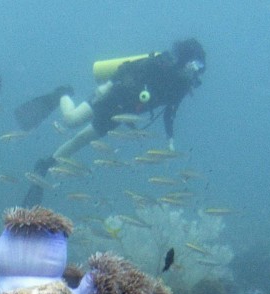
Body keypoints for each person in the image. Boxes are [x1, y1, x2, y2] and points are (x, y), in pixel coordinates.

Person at [20, 39, 206, 206]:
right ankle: (63, 93)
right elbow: (126, 68)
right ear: (186, 59)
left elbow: (170, 112)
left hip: (123, 112)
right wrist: (107, 85)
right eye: (195, 64)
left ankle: (46, 164)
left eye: (200, 67)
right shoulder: (161, 63)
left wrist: (170, 138)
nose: (196, 71)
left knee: (82, 139)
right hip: (112, 95)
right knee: (71, 120)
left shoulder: (181, 87)